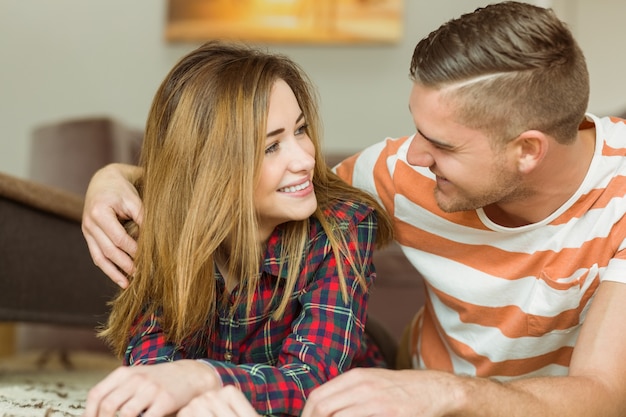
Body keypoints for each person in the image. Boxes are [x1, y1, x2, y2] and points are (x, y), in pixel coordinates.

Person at [82, 2, 626, 416]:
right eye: (417, 128)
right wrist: (113, 179)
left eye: (442, 144)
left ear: (527, 150)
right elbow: (208, 179)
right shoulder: (395, 173)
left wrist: (440, 392)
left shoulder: (619, 196)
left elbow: (603, 393)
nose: (412, 155)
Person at [81, 40, 393, 417]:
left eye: (300, 130)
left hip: (361, 374)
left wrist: (201, 377)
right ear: (212, 169)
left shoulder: (343, 226)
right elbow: (153, 363)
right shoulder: (158, 228)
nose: (306, 159)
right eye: (271, 147)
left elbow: (313, 382)